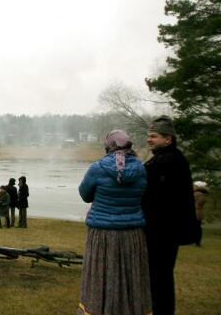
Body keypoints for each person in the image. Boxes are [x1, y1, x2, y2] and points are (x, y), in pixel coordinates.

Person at [78, 130, 152, 315]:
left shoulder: (98, 168)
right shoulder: (141, 169)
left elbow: (85, 194)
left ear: (108, 147)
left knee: (101, 276)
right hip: (132, 234)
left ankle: (99, 309)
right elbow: (142, 195)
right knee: (131, 277)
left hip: (103, 235)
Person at [143, 115, 199, 315]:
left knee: (160, 276)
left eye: (154, 136)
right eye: (149, 136)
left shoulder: (169, 160)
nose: (149, 139)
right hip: (163, 230)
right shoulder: (165, 158)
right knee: (159, 276)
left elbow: (151, 190)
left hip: (163, 232)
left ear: (168, 139)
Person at [193, 181, 209, 247]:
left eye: (194, 186)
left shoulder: (197, 194)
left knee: (196, 228)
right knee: (197, 228)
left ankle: (197, 242)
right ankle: (197, 242)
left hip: (195, 213)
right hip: (198, 213)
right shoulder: (202, 194)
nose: (193, 187)